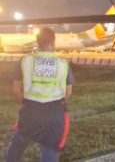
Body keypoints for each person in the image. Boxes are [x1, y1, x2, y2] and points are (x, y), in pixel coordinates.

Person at [5, 27, 74, 162]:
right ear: (53, 42)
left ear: (37, 41)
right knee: (49, 150)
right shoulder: (62, 63)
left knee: (17, 146)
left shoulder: (25, 60)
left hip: (30, 110)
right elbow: (68, 92)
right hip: (54, 113)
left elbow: (16, 89)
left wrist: (25, 103)